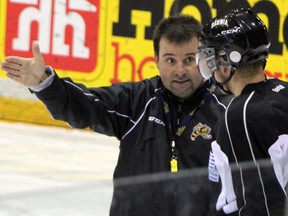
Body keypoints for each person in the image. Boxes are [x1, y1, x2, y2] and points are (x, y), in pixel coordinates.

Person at [1, 15, 231, 215]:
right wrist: (45, 84)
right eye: (171, 60)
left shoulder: (226, 111)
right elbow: (85, 106)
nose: (180, 70)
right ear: (157, 61)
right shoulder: (136, 101)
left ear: (203, 59)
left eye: (189, 60)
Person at [196, 8, 288, 215]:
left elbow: (260, 203)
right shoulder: (282, 92)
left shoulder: (242, 115)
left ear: (225, 61)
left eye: (209, 55)